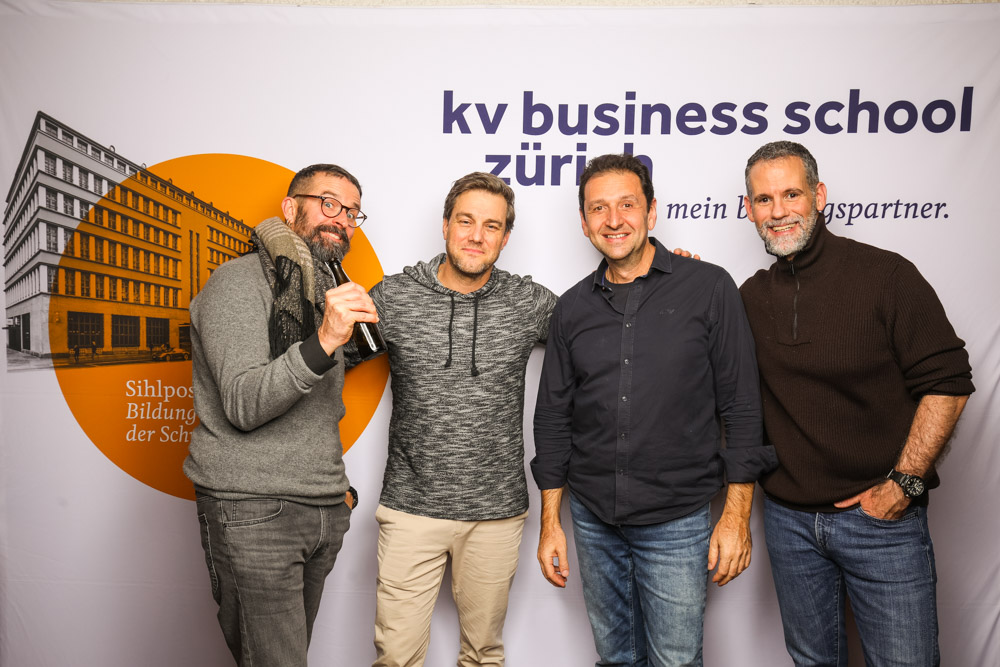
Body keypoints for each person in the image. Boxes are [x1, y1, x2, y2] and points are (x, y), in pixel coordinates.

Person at [531, 153, 776, 666]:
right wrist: (551, 522)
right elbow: (553, 417)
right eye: (598, 208)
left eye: (626, 204)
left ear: (652, 211)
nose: (613, 220)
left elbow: (741, 406)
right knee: (615, 659)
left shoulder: (708, 287)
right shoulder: (571, 308)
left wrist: (736, 517)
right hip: (593, 519)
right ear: (583, 222)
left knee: (676, 662)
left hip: (677, 521)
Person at [739, 141, 974, 666]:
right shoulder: (749, 297)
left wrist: (905, 484)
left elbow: (948, 382)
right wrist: (681, 277)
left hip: (881, 524)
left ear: (819, 196)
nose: (778, 211)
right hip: (789, 524)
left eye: (792, 194)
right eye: (763, 199)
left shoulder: (886, 276)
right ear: (749, 209)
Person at [184, 164, 377, 666]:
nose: (342, 219)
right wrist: (326, 339)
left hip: (323, 507)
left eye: (352, 212)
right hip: (254, 510)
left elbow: (317, 400)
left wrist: (337, 497)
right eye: (328, 203)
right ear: (291, 208)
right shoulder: (237, 282)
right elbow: (243, 403)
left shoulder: (322, 291)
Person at [368, 172, 557, 667]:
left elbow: (603, 329)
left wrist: (666, 284)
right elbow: (329, 360)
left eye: (491, 226)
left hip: (496, 512)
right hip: (410, 507)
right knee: (396, 658)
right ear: (445, 225)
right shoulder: (393, 297)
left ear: (505, 237)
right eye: (465, 221)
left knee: (483, 655)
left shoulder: (529, 302)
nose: (476, 236)